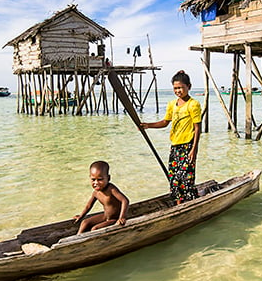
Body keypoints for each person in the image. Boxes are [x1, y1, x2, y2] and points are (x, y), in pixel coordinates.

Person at [140, 70, 202, 203]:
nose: (178, 91)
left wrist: (194, 149)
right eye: (175, 88)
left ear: (188, 87)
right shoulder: (171, 105)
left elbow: (198, 128)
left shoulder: (193, 104)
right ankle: (178, 202)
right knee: (174, 177)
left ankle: (190, 202)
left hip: (188, 145)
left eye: (180, 87)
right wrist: (148, 125)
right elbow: (164, 122)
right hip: (175, 146)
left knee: (186, 177)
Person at [74, 161, 130, 234]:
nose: (96, 183)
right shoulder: (96, 193)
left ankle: (89, 241)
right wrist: (81, 216)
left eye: (100, 179)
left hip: (114, 219)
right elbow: (88, 206)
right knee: (85, 222)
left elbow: (125, 201)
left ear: (108, 178)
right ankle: (78, 237)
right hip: (105, 216)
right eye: (93, 179)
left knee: (95, 228)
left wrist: (122, 217)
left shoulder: (111, 189)